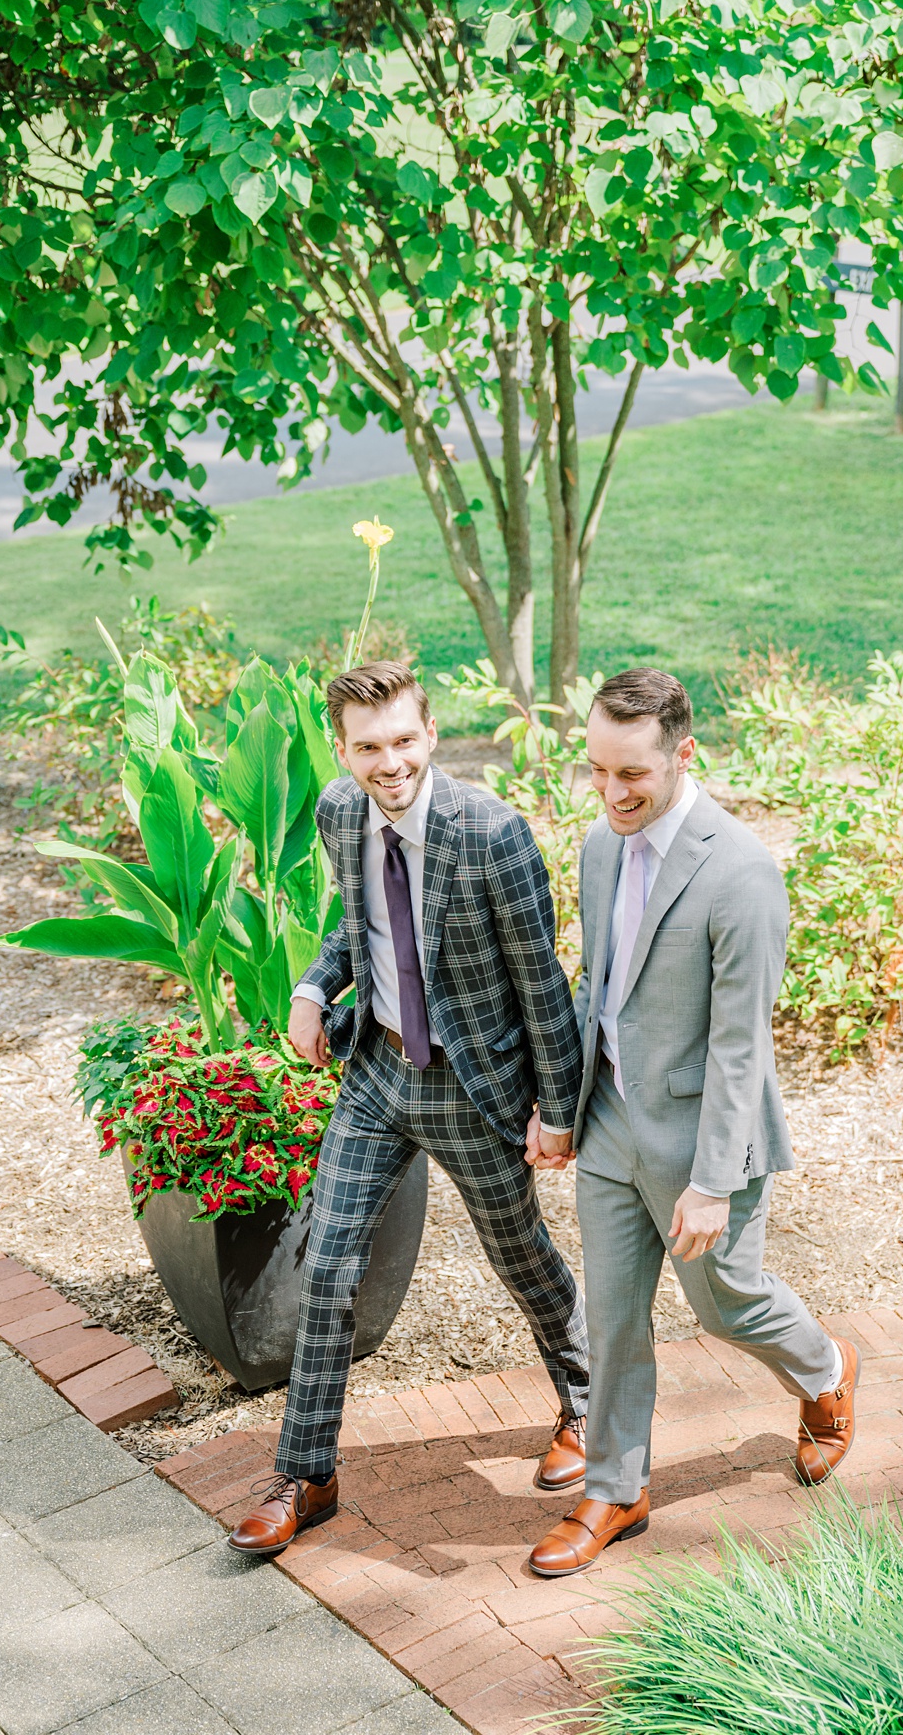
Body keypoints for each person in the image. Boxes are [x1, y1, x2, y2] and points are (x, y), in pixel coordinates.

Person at [232, 662, 590, 1557]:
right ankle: (307, 1474)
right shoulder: (339, 811)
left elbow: (542, 985)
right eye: (367, 747)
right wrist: (317, 988)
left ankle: (588, 1405)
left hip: (475, 1090)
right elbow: (358, 925)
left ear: (429, 735)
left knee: (522, 1259)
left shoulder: (492, 835)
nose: (387, 763)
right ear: (342, 750)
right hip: (377, 1075)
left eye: (402, 741)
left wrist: (557, 1109)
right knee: (328, 1269)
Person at [525, 670, 859, 1578]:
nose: (611, 792)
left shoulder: (741, 871)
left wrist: (712, 1181)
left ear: (684, 754)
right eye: (597, 770)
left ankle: (826, 1373)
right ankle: (614, 1488)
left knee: (725, 1305)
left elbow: (742, 1044)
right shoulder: (602, 844)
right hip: (609, 1126)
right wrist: (562, 1111)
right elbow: (596, 993)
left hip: (703, 1142)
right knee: (615, 1317)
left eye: (631, 773)